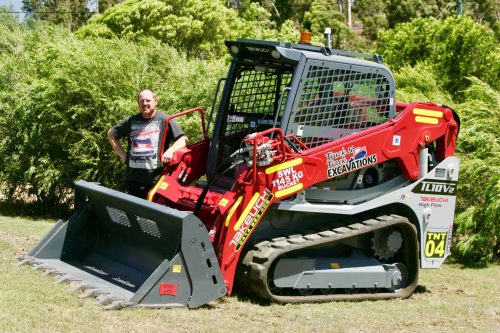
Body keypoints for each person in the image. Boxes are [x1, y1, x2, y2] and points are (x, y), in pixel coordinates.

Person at [107, 89, 188, 199]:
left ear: (155, 101)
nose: (145, 103)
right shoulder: (131, 120)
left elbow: (183, 140)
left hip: (155, 182)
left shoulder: (164, 120)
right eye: (141, 101)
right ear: (138, 103)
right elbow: (111, 134)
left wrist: (170, 151)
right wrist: (122, 155)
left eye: (148, 100)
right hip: (132, 180)